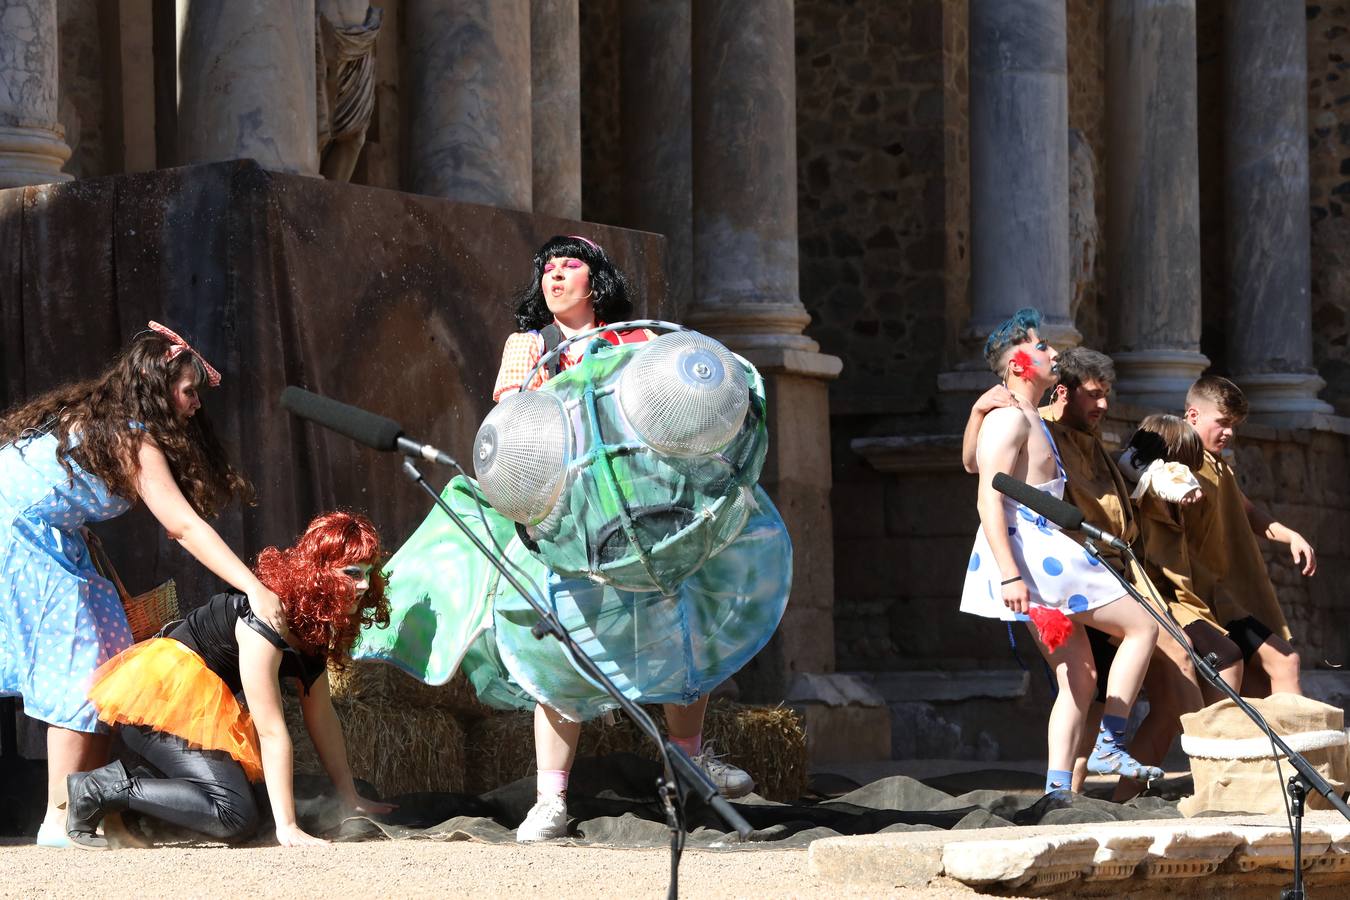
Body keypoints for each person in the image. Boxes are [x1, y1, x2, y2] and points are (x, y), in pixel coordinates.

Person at [493, 235, 755, 841]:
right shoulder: (528, 346)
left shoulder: (638, 339)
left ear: (596, 281)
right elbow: (511, 423)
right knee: (560, 647)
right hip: (565, 515)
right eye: (547, 271)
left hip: (642, 508)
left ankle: (691, 759)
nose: (555, 279)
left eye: (570, 268)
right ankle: (550, 800)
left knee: (678, 624)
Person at [0, 322, 287, 848]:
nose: (196, 404)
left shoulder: (107, 423)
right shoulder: (131, 438)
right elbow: (183, 527)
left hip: (43, 534)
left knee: (108, 652)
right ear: (158, 387)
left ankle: (98, 805)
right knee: (76, 661)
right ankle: (57, 815)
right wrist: (256, 589)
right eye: (188, 391)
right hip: (18, 536)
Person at [65, 512, 395, 848]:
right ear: (318, 572)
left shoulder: (314, 629)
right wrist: (288, 828)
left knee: (328, 799)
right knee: (235, 815)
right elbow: (270, 730)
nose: (365, 585)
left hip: (198, 716)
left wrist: (349, 795)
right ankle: (97, 789)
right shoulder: (266, 619)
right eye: (352, 573)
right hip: (161, 706)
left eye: (368, 574)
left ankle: (143, 802)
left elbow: (322, 717)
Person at [963, 347, 1202, 798]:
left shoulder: (1042, 424)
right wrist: (1012, 575)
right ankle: (1110, 750)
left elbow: (973, 464)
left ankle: (1059, 793)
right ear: (1059, 389)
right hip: (1056, 567)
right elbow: (984, 486)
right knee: (1135, 638)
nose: (1104, 405)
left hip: (1075, 571)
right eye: (1093, 394)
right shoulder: (1016, 419)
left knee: (1081, 682)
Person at [1182, 376, 1313, 697]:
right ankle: (1295, 747)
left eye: (1234, 425)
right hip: (1200, 597)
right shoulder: (1177, 461)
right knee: (1281, 663)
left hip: (1227, 595)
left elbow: (1249, 512)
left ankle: (1277, 747)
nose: (1229, 432)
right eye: (1223, 422)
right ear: (1193, 416)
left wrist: (1290, 535)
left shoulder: (1218, 465)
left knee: (1261, 683)